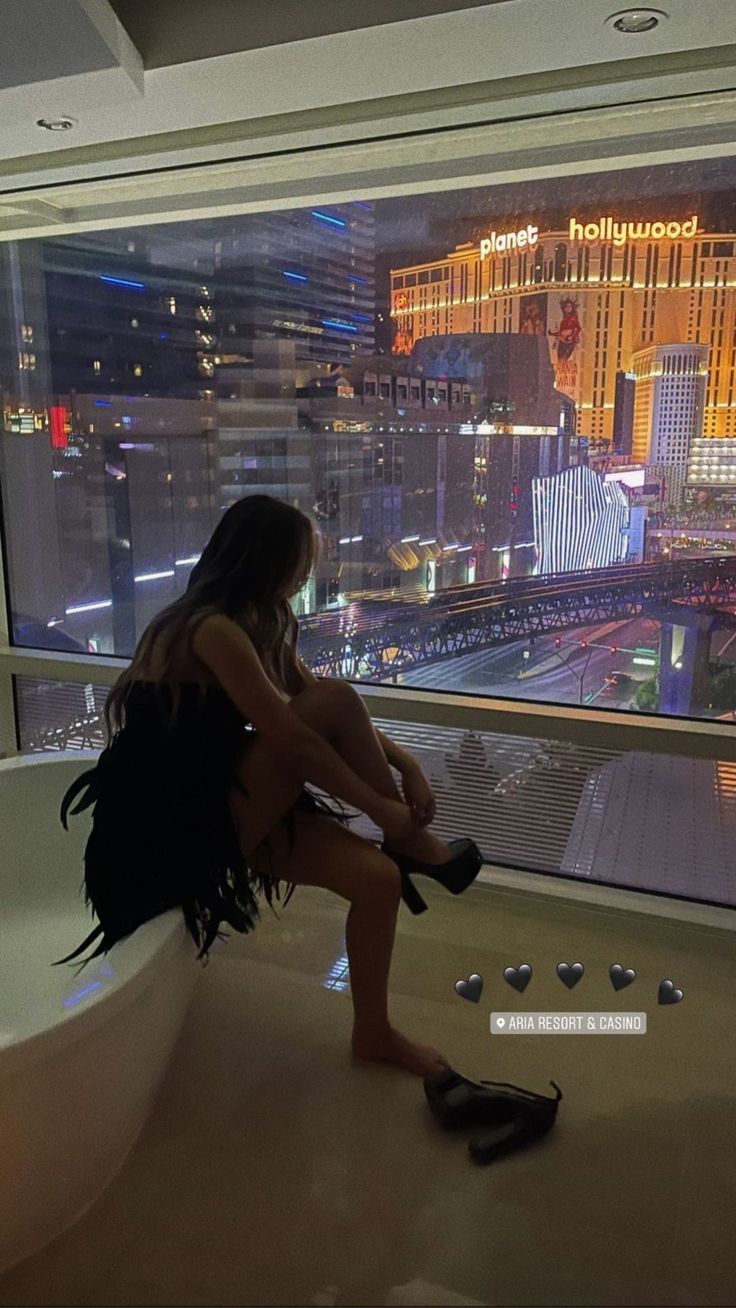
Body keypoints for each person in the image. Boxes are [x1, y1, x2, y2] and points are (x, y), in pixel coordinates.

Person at [57, 495, 482, 1076]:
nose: (308, 570)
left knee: (379, 881)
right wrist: (383, 810)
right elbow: (297, 739)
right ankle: (408, 844)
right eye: (301, 558)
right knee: (337, 710)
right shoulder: (208, 630)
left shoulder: (258, 622)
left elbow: (321, 706)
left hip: (219, 797)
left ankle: (374, 1034)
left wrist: (405, 762)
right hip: (165, 830)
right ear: (268, 560)